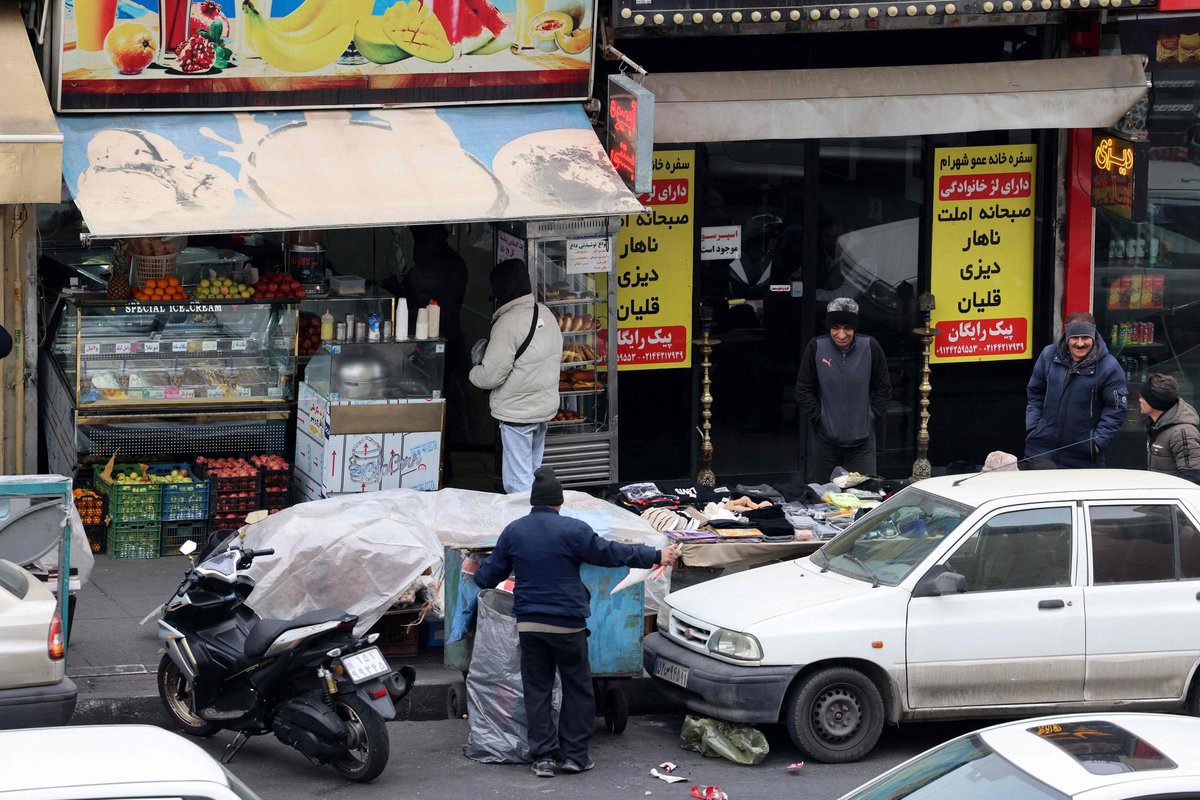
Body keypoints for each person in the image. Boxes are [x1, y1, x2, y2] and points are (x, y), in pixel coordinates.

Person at [472, 467, 681, 777]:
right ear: (559, 502)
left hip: (530, 625)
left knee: (537, 690)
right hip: (568, 624)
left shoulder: (514, 531)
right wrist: (655, 555)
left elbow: (487, 577)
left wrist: (475, 572)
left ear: (534, 501)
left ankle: (543, 758)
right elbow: (610, 553)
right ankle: (574, 756)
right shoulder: (573, 530)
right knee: (577, 687)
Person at [469, 258, 563, 494]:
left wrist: (474, 370)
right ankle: (538, 512)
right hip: (543, 408)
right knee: (533, 473)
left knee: (518, 483)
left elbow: (491, 376)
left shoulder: (507, 323)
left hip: (518, 413)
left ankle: (525, 515)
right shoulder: (546, 313)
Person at [794, 297, 892, 482]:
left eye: (847, 328)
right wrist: (819, 417)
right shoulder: (816, 347)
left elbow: (884, 387)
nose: (841, 334)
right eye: (835, 328)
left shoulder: (870, 346)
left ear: (854, 328)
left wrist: (873, 415)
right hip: (825, 441)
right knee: (824, 494)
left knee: (864, 493)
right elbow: (803, 389)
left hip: (863, 443)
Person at [1025, 312, 1128, 468]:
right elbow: (1035, 393)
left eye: (1085, 337)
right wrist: (1033, 428)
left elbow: (1116, 409)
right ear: (1067, 337)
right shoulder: (1048, 355)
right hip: (1040, 451)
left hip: (1083, 458)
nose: (1080, 344)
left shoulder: (1109, 367)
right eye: (1075, 338)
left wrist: (1096, 443)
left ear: (1094, 336)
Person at [1139, 372, 1200, 481]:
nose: (1140, 400)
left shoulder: (1182, 433)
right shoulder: (1156, 426)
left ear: (1154, 402)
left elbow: (1192, 477)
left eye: (1143, 397)